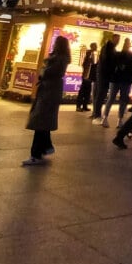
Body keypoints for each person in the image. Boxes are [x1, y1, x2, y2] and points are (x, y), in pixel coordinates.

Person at [22, 33, 70, 165]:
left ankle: (36, 153)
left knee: (40, 121)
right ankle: (45, 147)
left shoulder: (58, 59)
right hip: (49, 91)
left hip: (48, 92)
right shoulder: (60, 58)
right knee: (44, 122)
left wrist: (43, 71)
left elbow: (47, 72)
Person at [103, 37, 132, 127]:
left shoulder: (118, 55)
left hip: (116, 79)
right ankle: (119, 120)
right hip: (125, 81)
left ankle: (105, 118)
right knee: (122, 100)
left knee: (111, 98)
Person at [92, 35, 119, 120]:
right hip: (104, 74)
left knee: (101, 94)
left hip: (104, 74)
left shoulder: (110, 48)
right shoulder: (108, 47)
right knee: (101, 94)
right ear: (113, 39)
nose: (117, 41)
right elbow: (107, 61)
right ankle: (97, 115)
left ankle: (96, 114)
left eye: (118, 40)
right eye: (117, 39)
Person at [76, 42, 97, 112]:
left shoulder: (93, 54)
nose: (96, 48)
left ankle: (84, 105)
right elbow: (89, 64)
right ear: (92, 47)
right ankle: (79, 106)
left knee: (87, 91)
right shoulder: (90, 54)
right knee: (83, 91)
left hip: (89, 75)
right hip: (86, 75)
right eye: (95, 46)